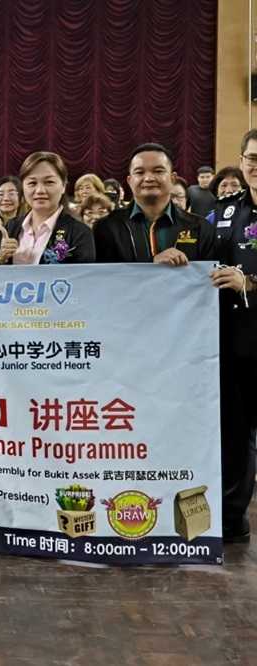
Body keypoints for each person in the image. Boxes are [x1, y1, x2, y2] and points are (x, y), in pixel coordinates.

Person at [209, 129, 257, 543]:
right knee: (236, 433)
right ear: (241, 162)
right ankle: (232, 517)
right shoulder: (223, 211)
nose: (256, 166)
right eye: (252, 158)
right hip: (235, 341)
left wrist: (252, 283)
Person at [94, 143, 217, 264]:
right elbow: (105, 277)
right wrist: (151, 264)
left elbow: (207, 278)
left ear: (172, 179)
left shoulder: (201, 229)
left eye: (158, 171)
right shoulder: (106, 227)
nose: (148, 178)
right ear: (130, 181)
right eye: (140, 173)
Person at [0, 152, 94, 265]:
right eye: (32, 183)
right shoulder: (11, 226)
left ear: (63, 186)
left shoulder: (80, 233)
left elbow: (83, 279)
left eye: (49, 182)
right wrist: (1, 258)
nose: (40, 190)